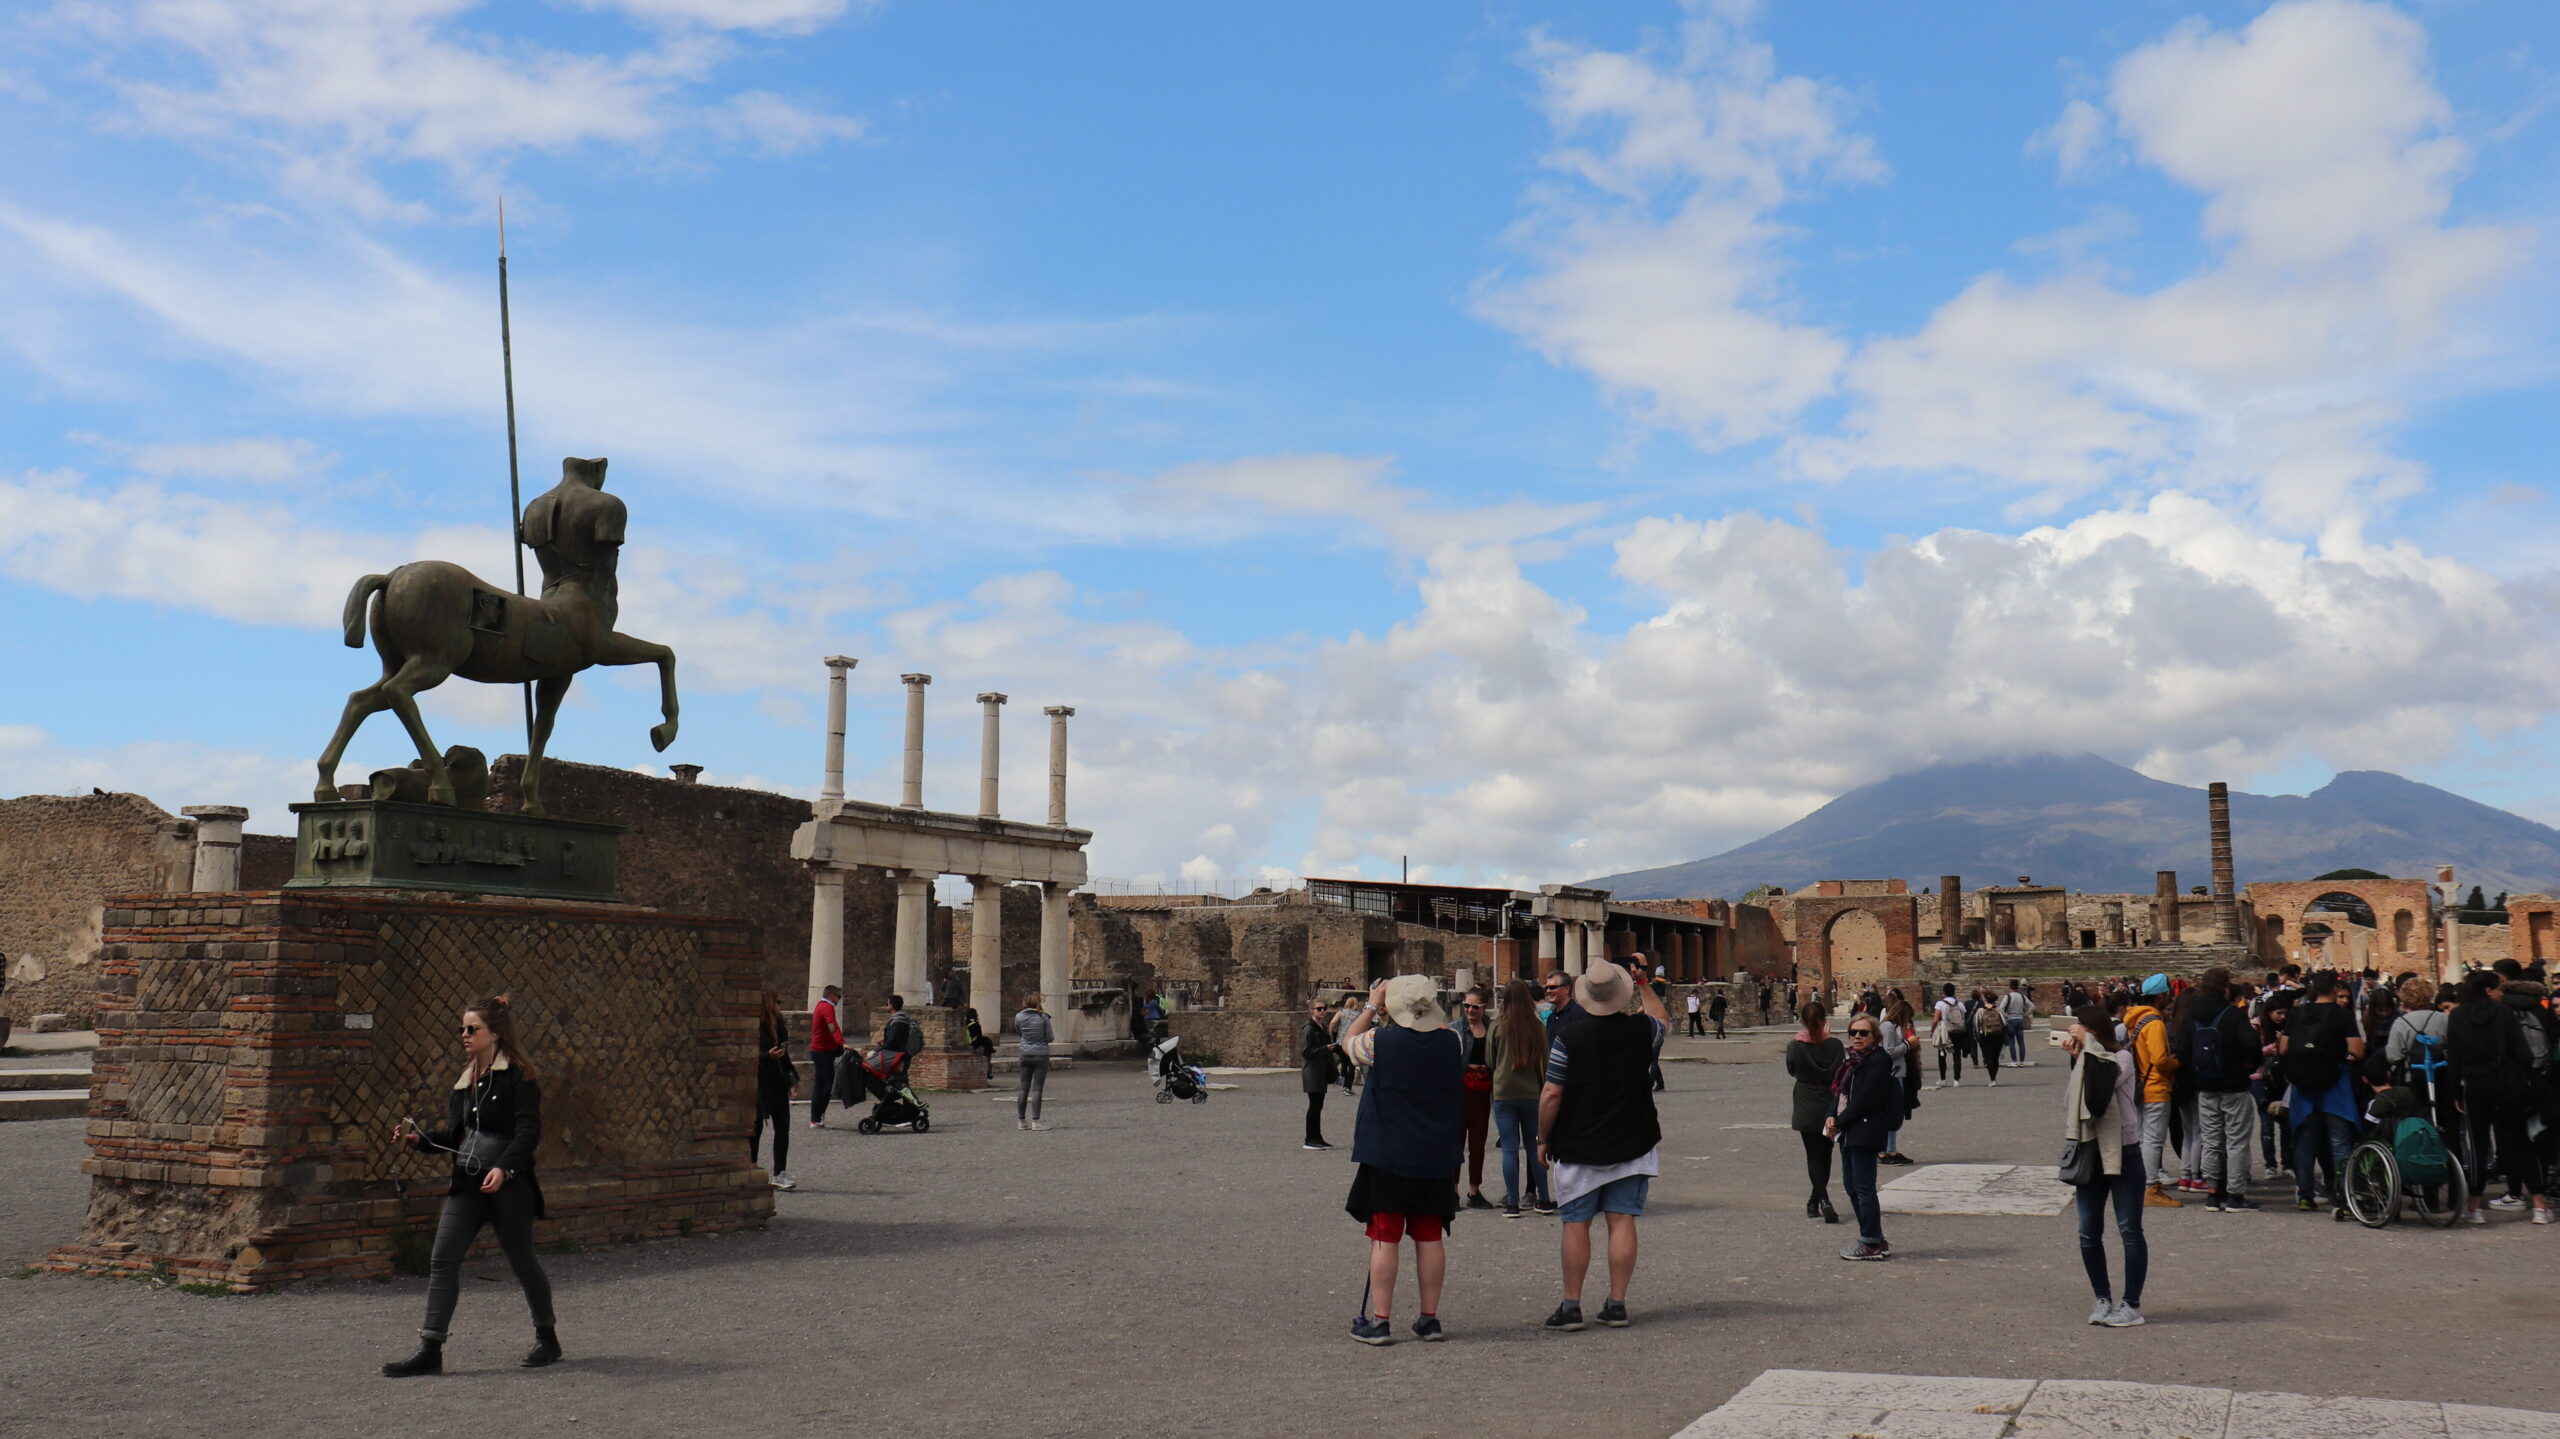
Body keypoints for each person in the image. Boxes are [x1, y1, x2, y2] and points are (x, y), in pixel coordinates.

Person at [382, 994, 560, 1376]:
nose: (463, 1034)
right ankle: (430, 1349)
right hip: (467, 1182)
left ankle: (548, 1337)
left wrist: (507, 1169)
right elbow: (456, 1135)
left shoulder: (519, 1075)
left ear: (494, 1033)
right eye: (462, 1028)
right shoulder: (465, 1082)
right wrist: (419, 1140)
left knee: (522, 1261)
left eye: (471, 1028)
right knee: (442, 1259)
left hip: (508, 1185)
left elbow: (528, 1131)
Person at [1537, 961, 1667, 1329]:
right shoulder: (1644, 1030)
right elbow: (1661, 1018)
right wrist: (1643, 982)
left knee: (1575, 1223)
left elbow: (1551, 1093)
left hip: (1579, 1142)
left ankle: (1571, 1305)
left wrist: (1542, 1137)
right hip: (1632, 1139)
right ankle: (1617, 1303)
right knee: (1621, 1219)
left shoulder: (1569, 1037)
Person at [1338, 974, 1464, 1345]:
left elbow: (1348, 1043)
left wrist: (1373, 1004)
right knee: (1429, 1237)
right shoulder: (1452, 1041)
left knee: (1385, 1237)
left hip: (1388, 1153)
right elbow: (1437, 1028)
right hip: (1435, 1152)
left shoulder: (1378, 1041)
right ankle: (1429, 1318)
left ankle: (1380, 1320)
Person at [2059, 1004, 2148, 1327]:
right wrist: (2077, 1058)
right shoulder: (2086, 1061)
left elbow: (2099, 1092)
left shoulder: (2121, 1058)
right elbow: (2072, 1102)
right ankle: (2102, 1297)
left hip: (2124, 1151)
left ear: (2094, 1031)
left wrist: (2087, 1051)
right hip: (2090, 1151)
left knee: (2129, 1230)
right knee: (2087, 1231)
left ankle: (2132, 1305)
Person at [2446, 970, 2550, 1224]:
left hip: (2475, 1084)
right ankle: (2538, 1205)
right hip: (2506, 1083)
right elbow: (2522, 1050)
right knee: (2520, 1141)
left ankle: (2475, 1206)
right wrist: (2523, 1075)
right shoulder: (2503, 1013)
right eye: (2498, 989)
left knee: (2478, 1146)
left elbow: (2454, 1057)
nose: (2502, 993)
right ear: (2488, 991)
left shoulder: (2457, 1015)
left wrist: (2455, 1092)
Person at [2171, 967, 2260, 1211]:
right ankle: (2235, 1195)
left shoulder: (2191, 1016)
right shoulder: (2233, 1014)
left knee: (2211, 1140)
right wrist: (2247, 1063)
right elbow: (2252, 1044)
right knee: (2236, 1140)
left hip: (2204, 1086)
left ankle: (2212, 1192)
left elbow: (2183, 1051)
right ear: (2225, 988)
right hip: (2234, 1084)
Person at [2280, 973, 2365, 1212]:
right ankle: (2345, 1194)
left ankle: (2305, 1195)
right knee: (2339, 1142)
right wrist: (2344, 1058)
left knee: (2305, 1142)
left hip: (2304, 1085)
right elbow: (2357, 1050)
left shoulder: (2297, 1014)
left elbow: (2284, 1047)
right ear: (2334, 988)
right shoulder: (2342, 1015)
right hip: (2335, 1084)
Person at [1828, 1013, 1898, 1260]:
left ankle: (1870, 1241)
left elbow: (1867, 1098)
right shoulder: (1852, 1061)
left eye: (1863, 1033)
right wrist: (1830, 1116)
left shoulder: (1879, 1060)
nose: (1857, 1037)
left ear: (1875, 1036)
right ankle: (1875, 1238)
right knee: (1851, 1186)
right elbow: (1840, 1093)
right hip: (1848, 1132)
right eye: (1853, 1032)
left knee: (1863, 1187)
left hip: (1865, 1130)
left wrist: (1839, 1121)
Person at [1488, 978, 1554, 1217]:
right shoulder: (1537, 1027)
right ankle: (1543, 1198)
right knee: (1534, 1146)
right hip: (1531, 1092)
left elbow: (1490, 1059)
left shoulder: (1497, 1026)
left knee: (1509, 1149)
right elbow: (1545, 1062)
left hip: (1503, 1091)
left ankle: (1512, 1203)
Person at [2123, 976, 2180, 1208]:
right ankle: (2151, 1187)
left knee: (2141, 1137)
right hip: (2155, 1086)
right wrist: (2176, 1063)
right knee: (2153, 1140)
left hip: (2139, 1086)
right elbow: (2159, 1059)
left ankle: (2138, 1183)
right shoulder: (2154, 1023)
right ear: (2161, 996)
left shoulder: (2135, 1020)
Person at [1786, 1001, 1844, 1223]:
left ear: (1801, 1020)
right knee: (1826, 1153)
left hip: (1806, 1103)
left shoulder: (1794, 1047)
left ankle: (1821, 1199)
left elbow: (1792, 1070)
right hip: (1830, 1102)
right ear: (1824, 1021)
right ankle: (1817, 1199)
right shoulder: (1836, 1045)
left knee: (1813, 1155)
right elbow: (1840, 1072)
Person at [750, 988, 799, 1191]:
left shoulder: (779, 1025)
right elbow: (748, 1053)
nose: (780, 1005)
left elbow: (784, 1054)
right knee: (756, 1128)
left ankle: (780, 1172)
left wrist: (793, 1078)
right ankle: (751, 1169)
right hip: (760, 1081)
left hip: (777, 1081)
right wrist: (766, 1056)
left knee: (783, 1127)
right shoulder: (755, 1025)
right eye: (778, 1001)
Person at [1455, 988, 1495, 1210]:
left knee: (1478, 1142)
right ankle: (1453, 1190)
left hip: (1482, 1090)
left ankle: (1474, 1190)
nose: (1470, 1010)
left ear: (1484, 1008)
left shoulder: (1492, 1028)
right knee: (1456, 1140)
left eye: (1475, 1006)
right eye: (1466, 1005)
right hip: (1461, 1090)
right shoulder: (1456, 1029)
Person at [1878, 993, 1917, 1165]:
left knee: (1894, 1114)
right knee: (1891, 1114)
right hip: (1892, 1075)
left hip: (1897, 1073)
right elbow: (1889, 1052)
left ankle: (1891, 1149)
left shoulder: (1891, 1027)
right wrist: (1908, 1044)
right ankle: (1884, 1151)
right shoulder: (1887, 1027)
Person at [1301, 995, 1340, 1150]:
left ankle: (1317, 1137)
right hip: (1313, 1072)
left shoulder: (1320, 1027)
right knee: (1314, 1106)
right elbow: (1306, 1051)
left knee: (1318, 1105)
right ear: (1312, 1010)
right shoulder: (1309, 1029)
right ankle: (1310, 1139)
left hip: (1320, 1071)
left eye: (1324, 1008)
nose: (1322, 1011)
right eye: (1319, 1009)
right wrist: (1326, 1049)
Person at [1014, 992, 1054, 1131]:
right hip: (1041, 1054)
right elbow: (1050, 1037)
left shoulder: (1019, 1017)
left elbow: (1019, 1033)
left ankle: (1021, 1121)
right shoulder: (1043, 1017)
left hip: (1025, 1053)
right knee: (1037, 1089)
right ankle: (1035, 1121)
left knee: (1023, 1088)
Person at [808, 984, 846, 1129]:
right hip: (823, 1051)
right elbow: (832, 1026)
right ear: (831, 995)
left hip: (819, 1050)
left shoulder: (820, 1006)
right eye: (838, 996)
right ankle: (818, 1116)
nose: (839, 1000)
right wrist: (841, 1042)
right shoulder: (827, 1007)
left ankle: (816, 1117)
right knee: (826, 1084)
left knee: (820, 1084)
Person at [1930, 983, 1968, 1089]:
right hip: (1958, 1032)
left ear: (1944, 992)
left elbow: (1936, 1019)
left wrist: (1932, 1031)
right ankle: (1956, 1079)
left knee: (1942, 1055)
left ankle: (1943, 1079)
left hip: (1945, 1032)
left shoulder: (1940, 1004)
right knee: (1957, 1056)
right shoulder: (1960, 1004)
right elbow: (1964, 1017)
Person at [1972, 989, 2005, 1087]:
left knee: (1988, 1057)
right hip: (1998, 1035)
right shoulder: (1999, 1010)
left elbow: (1976, 1025)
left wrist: (1977, 1037)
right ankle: (1994, 1076)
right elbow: (2004, 1023)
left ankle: (1992, 1079)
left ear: (1985, 999)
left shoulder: (1980, 1011)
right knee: (1995, 1057)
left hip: (1985, 1036)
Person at [2001, 980, 2035, 1065]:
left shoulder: (2007, 997)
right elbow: (2032, 1006)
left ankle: (2014, 1061)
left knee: (2012, 1041)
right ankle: (2022, 1061)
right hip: (2020, 1018)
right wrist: (2025, 1014)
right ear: (2018, 987)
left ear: (2010, 986)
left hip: (2011, 1019)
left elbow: (2001, 1008)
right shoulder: (2022, 996)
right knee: (2021, 1041)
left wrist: (2005, 1015)